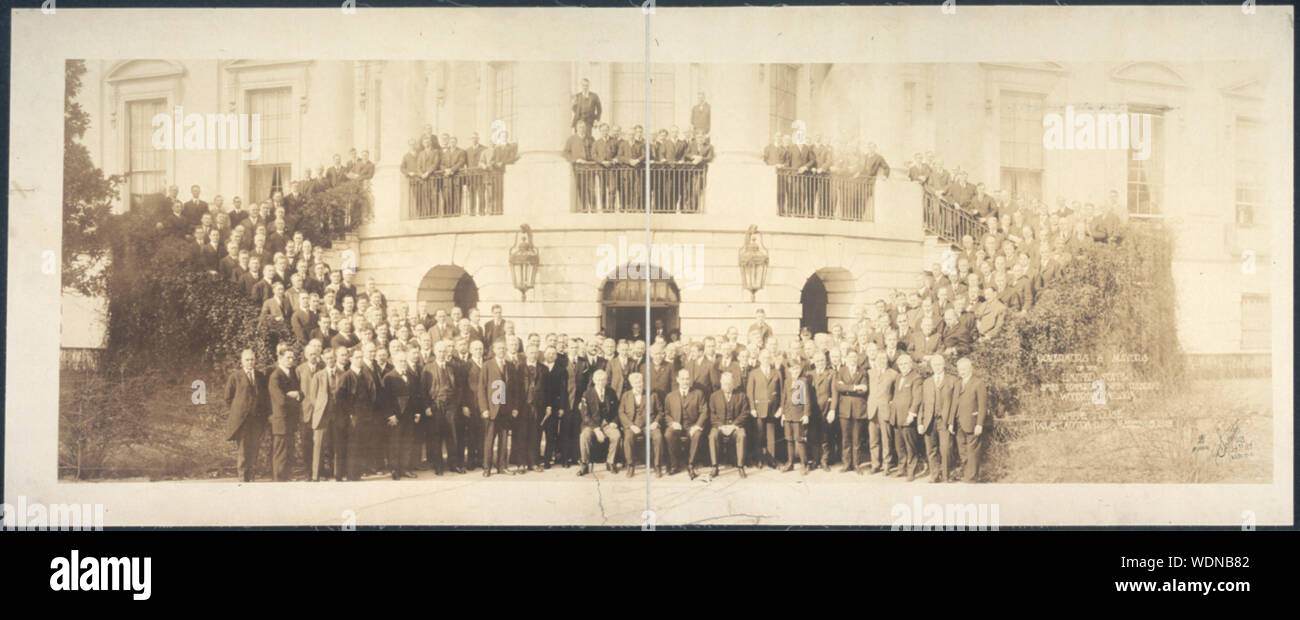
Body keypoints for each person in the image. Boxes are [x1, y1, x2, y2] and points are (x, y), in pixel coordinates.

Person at [224, 349, 268, 482]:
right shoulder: (235, 377)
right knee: (243, 450)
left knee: (254, 449)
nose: (250, 362)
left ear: (255, 360)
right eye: (247, 360)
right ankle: (243, 479)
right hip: (242, 421)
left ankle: (252, 477)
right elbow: (228, 398)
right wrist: (238, 411)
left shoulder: (260, 376)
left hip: (257, 420)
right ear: (242, 361)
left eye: (252, 359)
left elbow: (264, 397)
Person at [382, 349, 422, 480]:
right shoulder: (389, 377)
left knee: (407, 442)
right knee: (395, 442)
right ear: (394, 362)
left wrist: (417, 412)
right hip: (396, 416)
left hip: (409, 415)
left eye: (404, 361)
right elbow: (385, 399)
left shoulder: (412, 376)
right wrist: (390, 415)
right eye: (400, 361)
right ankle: (394, 469)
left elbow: (416, 396)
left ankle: (405, 468)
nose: (403, 363)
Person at [919, 354, 959, 483]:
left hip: (945, 420)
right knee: (931, 449)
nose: (937, 367)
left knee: (946, 449)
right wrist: (920, 421)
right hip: (930, 421)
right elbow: (922, 404)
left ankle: (947, 476)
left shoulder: (953, 380)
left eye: (939, 364)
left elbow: (955, 403)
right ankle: (934, 475)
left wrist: (952, 421)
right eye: (935, 364)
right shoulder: (927, 382)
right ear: (931, 366)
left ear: (944, 365)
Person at [662, 368, 706, 478]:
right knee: (668, 434)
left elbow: (704, 412)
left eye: (687, 379)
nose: (685, 381)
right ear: (677, 380)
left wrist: (697, 426)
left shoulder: (698, 394)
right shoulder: (670, 396)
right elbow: (666, 414)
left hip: (692, 425)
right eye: (682, 379)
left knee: (697, 435)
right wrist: (672, 423)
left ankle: (691, 464)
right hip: (677, 425)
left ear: (690, 380)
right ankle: (674, 464)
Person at [481, 339, 516, 477]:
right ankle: (486, 468)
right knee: (489, 440)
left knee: (504, 440)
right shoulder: (487, 365)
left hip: (505, 409)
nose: (502, 350)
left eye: (503, 348)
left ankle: (502, 466)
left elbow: (514, 389)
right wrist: (484, 408)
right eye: (499, 348)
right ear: (494, 350)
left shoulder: (510, 365)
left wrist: (514, 407)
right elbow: (482, 388)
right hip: (492, 409)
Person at [267, 346, 303, 482]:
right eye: (288, 357)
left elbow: (301, 393)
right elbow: (280, 400)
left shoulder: (292, 373)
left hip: (291, 420)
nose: (291, 360)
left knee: (289, 452)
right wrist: (293, 396)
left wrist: (297, 394)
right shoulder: (275, 376)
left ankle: (286, 479)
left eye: (292, 357)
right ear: (280, 358)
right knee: (280, 453)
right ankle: (278, 480)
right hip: (281, 420)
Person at [707, 371, 750, 478]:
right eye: (725, 383)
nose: (728, 386)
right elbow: (712, 415)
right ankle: (714, 466)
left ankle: (740, 466)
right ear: (721, 383)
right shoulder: (714, 396)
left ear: (734, 383)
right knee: (712, 436)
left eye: (730, 383)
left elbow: (745, 413)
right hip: (719, 426)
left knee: (742, 435)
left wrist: (734, 425)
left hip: (735, 427)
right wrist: (721, 426)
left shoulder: (741, 396)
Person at [952, 357, 989, 482]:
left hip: (972, 423)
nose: (962, 371)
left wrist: (979, 424)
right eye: (960, 369)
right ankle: (967, 474)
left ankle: (972, 478)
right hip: (959, 423)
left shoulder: (978, 383)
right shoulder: (958, 384)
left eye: (964, 369)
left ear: (970, 369)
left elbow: (983, 405)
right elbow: (954, 404)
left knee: (972, 452)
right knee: (963, 452)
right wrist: (951, 422)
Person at [578, 369, 621, 475]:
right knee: (584, 436)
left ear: (607, 381)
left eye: (603, 380)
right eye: (598, 380)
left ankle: (610, 462)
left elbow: (617, 410)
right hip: (591, 424)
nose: (601, 382)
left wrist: (614, 422)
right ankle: (585, 463)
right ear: (594, 380)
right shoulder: (587, 393)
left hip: (607, 423)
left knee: (616, 435)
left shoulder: (611, 392)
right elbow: (585, 415)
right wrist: (596, 429)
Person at [889, 354, 924, 480]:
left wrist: (912, 414)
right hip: (896, 417)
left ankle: (911, 471)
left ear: (910, 364)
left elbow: (917, 398)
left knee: (910, 446)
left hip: (907, 417)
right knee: (899, 446)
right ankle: (901, 468)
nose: (903, 366)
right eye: (901, 364)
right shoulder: (898, 377)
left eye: (905, 364)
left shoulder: (916, 378)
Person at [746, 347, 782, 469]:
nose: (766, 360)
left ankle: (771, 459)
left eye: (768, 357)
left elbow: (782, 392)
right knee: (759, 435)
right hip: (759, 409)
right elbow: (750, 392)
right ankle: (760, 459)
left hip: (773, 410)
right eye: (764, 358)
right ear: (760, 359)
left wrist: (781, 408)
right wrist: (752, 408)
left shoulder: (776, 373)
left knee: (771, 436)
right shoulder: (754, 373)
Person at [834, 348, 868, 473]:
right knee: (846, 439)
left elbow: (864, 389)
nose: (853, 359)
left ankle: (857, 464)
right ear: (846, 358)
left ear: (857, 358)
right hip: (845, 409)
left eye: (855, 357)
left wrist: (846, 388)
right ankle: (846, 464)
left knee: (857, 439)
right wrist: (854, 387)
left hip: (859, 409)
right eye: (850, 357)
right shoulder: (841, 371)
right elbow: (838, 387)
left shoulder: (862, 372)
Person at [618, 372, 657, 477]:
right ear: (631, 384)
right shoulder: (626, 395)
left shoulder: (651, 394)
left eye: (640, 382)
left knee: (658, 436)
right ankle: (630, 465)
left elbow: (660, 411)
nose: (638, 385)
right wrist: (631, 425)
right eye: (636, 383)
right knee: (628, 438)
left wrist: (655, 423)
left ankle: (657, 465)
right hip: (632, 424)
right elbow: (621, 412)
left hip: (648, 424)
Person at [779, 356, 811, 473]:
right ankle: (790, 463)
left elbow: (807, 399)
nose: (795, 372)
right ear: (789, 370)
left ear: (800, 370)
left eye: (797, 369)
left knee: (800, 439)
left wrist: (806, 414)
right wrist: (783, 414)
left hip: (799, 415)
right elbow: (784, 398)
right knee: (789, 440)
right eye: (793, 369)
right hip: (788, 414)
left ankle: (804, 463)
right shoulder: (787, 381)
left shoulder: (803, 381)